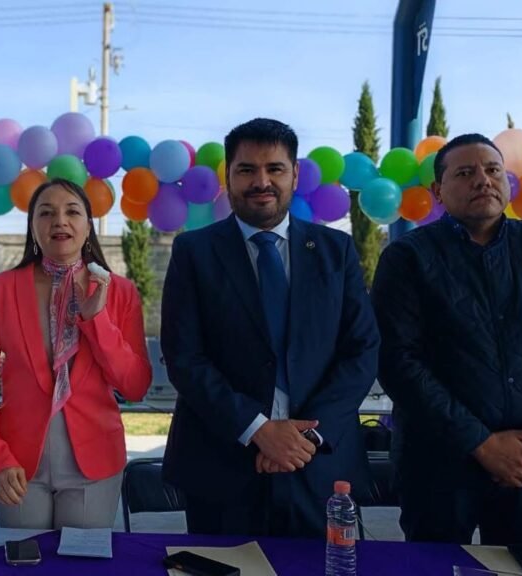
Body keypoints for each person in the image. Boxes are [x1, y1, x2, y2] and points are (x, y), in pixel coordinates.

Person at [372, 133, 522, 547]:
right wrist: (480, 442)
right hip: (439, 467)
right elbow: (397, 360)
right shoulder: (409, 258)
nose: (482, 179)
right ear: (438, 191)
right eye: (465, 173)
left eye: (493, 170)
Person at [160, 118, 380, 538]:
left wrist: (306, 440)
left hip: (321, 467)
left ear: (295, 175)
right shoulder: (194, 252)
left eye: (275, 168)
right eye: (246, 169)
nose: (261, 181)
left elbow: (362, 349)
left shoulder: (335, 251)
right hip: (223, 466)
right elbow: (185, 358)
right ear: (228, 176)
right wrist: (258, 430)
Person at [0, 178, 151, 529]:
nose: (59, 221)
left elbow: (136, 386)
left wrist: (97, 320)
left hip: (95, 463)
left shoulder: (120, 292)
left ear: (88, 226)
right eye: (46, 213)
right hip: (17, 464)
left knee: (80, 566)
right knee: (23, 564)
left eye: (72, 211)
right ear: (33, 228)